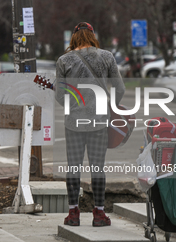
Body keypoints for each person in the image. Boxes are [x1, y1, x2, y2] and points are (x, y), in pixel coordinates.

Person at [55, 22, 125, 227]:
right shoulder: (107, 57)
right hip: (99, 122)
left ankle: (73, 214)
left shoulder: (63, 60)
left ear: (74, 37)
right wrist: (112, 105)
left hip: (73, 123)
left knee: (73, 167)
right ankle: (99, 214)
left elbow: (60, 95)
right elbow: (119, 88)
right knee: (98, 168)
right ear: (92, 36)